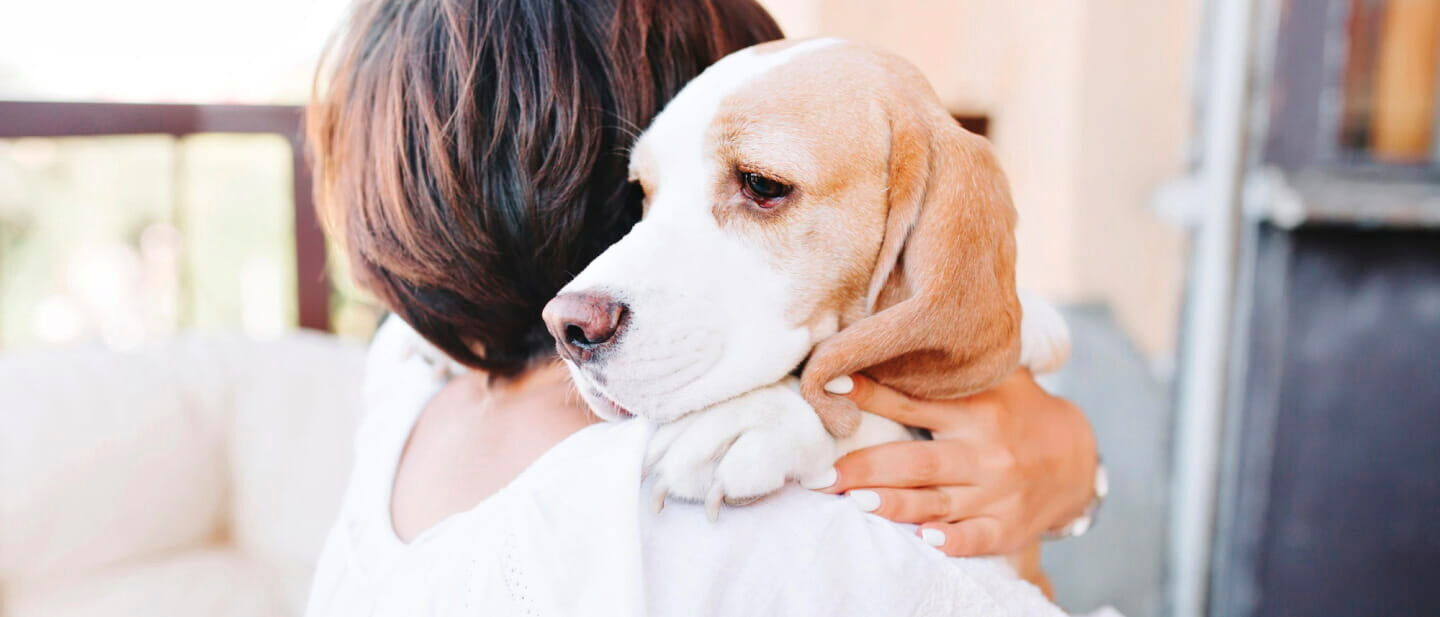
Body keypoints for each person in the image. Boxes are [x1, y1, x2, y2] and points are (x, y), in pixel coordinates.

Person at [304, 0, 1100, 614]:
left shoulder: (405, 379)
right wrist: (1073, 478)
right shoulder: (754, 521)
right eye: (645, 195)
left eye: (759, 186)